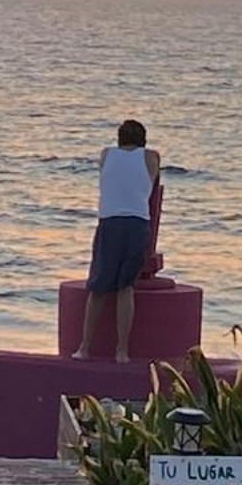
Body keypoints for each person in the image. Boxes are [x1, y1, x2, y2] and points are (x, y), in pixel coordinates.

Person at [74, 118, 160, 363]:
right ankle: (122, 350)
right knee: (125, 288)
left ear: (119, 138)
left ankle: (85, 346)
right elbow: (153, 183)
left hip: (110, 222)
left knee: (98, 287)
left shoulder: (106, 154)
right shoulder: (151, 157)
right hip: (137, 223)